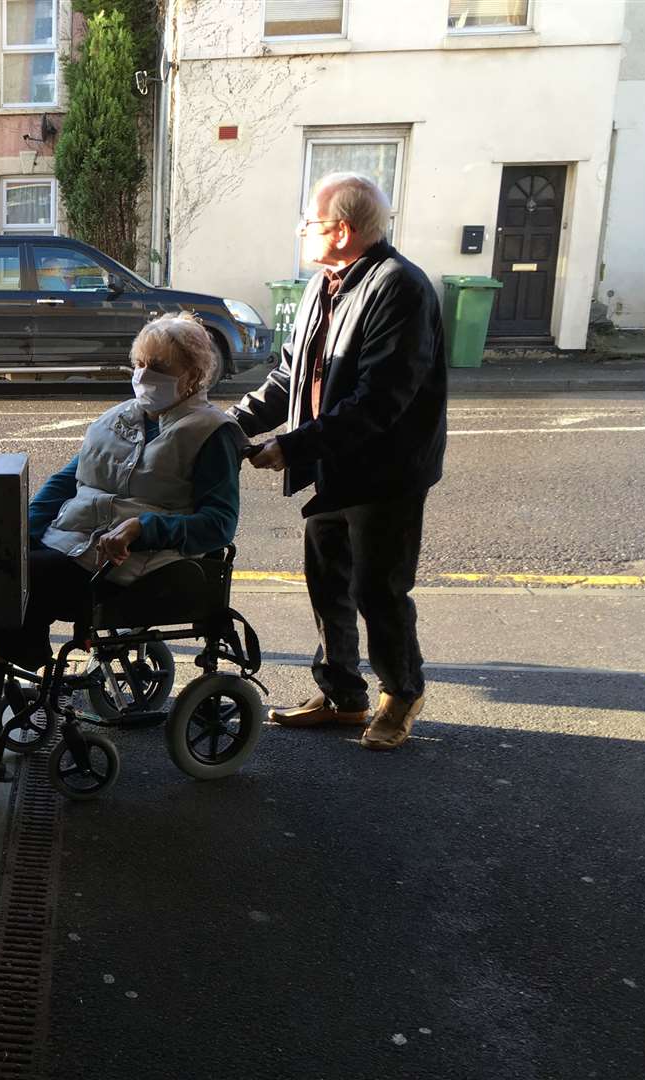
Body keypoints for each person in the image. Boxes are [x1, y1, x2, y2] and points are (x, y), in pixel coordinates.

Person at [0, 313, 246, 776]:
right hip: (73, 548)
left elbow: (219, 524)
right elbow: (66, 481)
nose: (144, 375)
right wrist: (18, 534)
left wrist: (142, 528)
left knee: (0, 581)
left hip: (136, 566)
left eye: (158, 367)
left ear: (191, 376)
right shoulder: (120, 418)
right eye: (140, 363)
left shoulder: (213, 432)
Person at [231, 172, 446, 752]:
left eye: (311, 221)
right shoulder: (322, 284)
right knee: (328, 582)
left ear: (343, 229)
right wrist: (230, 425)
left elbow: (380, 400)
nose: (302, 230)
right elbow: (289, 375)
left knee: (379, 589)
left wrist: (292, 448)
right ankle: (342, 694)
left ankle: (401, 694)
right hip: (332, 464)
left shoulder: (400, 287)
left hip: (384, 474)